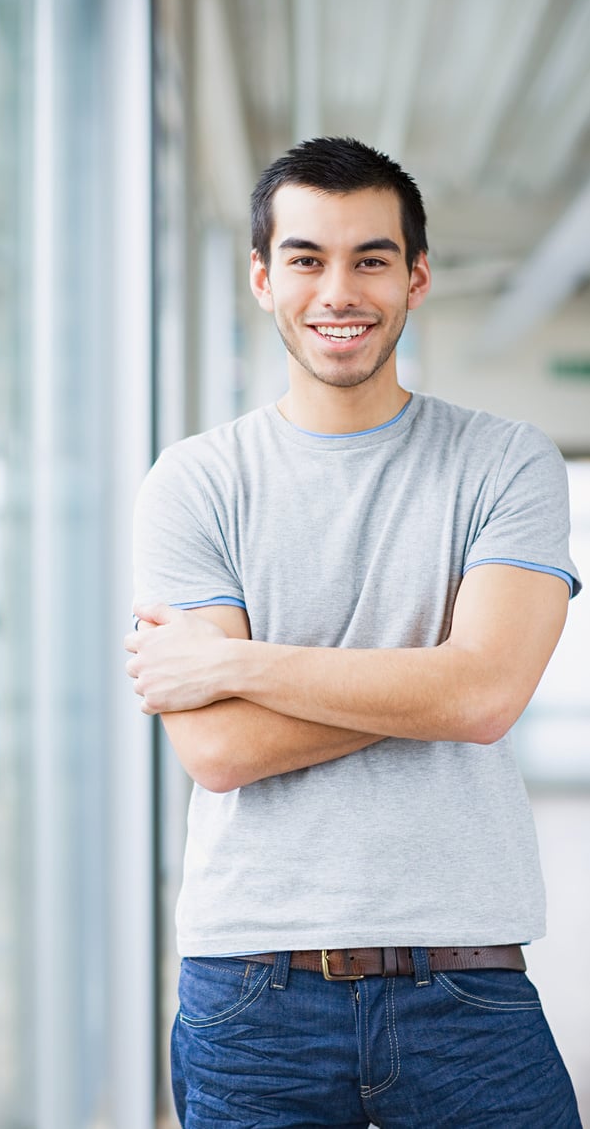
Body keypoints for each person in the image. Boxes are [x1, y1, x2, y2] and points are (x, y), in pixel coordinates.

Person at [124, 137, 582, 1128]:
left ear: (414, 277)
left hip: (465, 981)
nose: (339, 288)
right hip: (252, 988)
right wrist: (444, 681)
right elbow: (218, 747)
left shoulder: (506, 464)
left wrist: (233, 663)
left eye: (370, 258)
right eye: (305, 258)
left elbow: (485, 698)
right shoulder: (192, 483)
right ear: (260, 277)